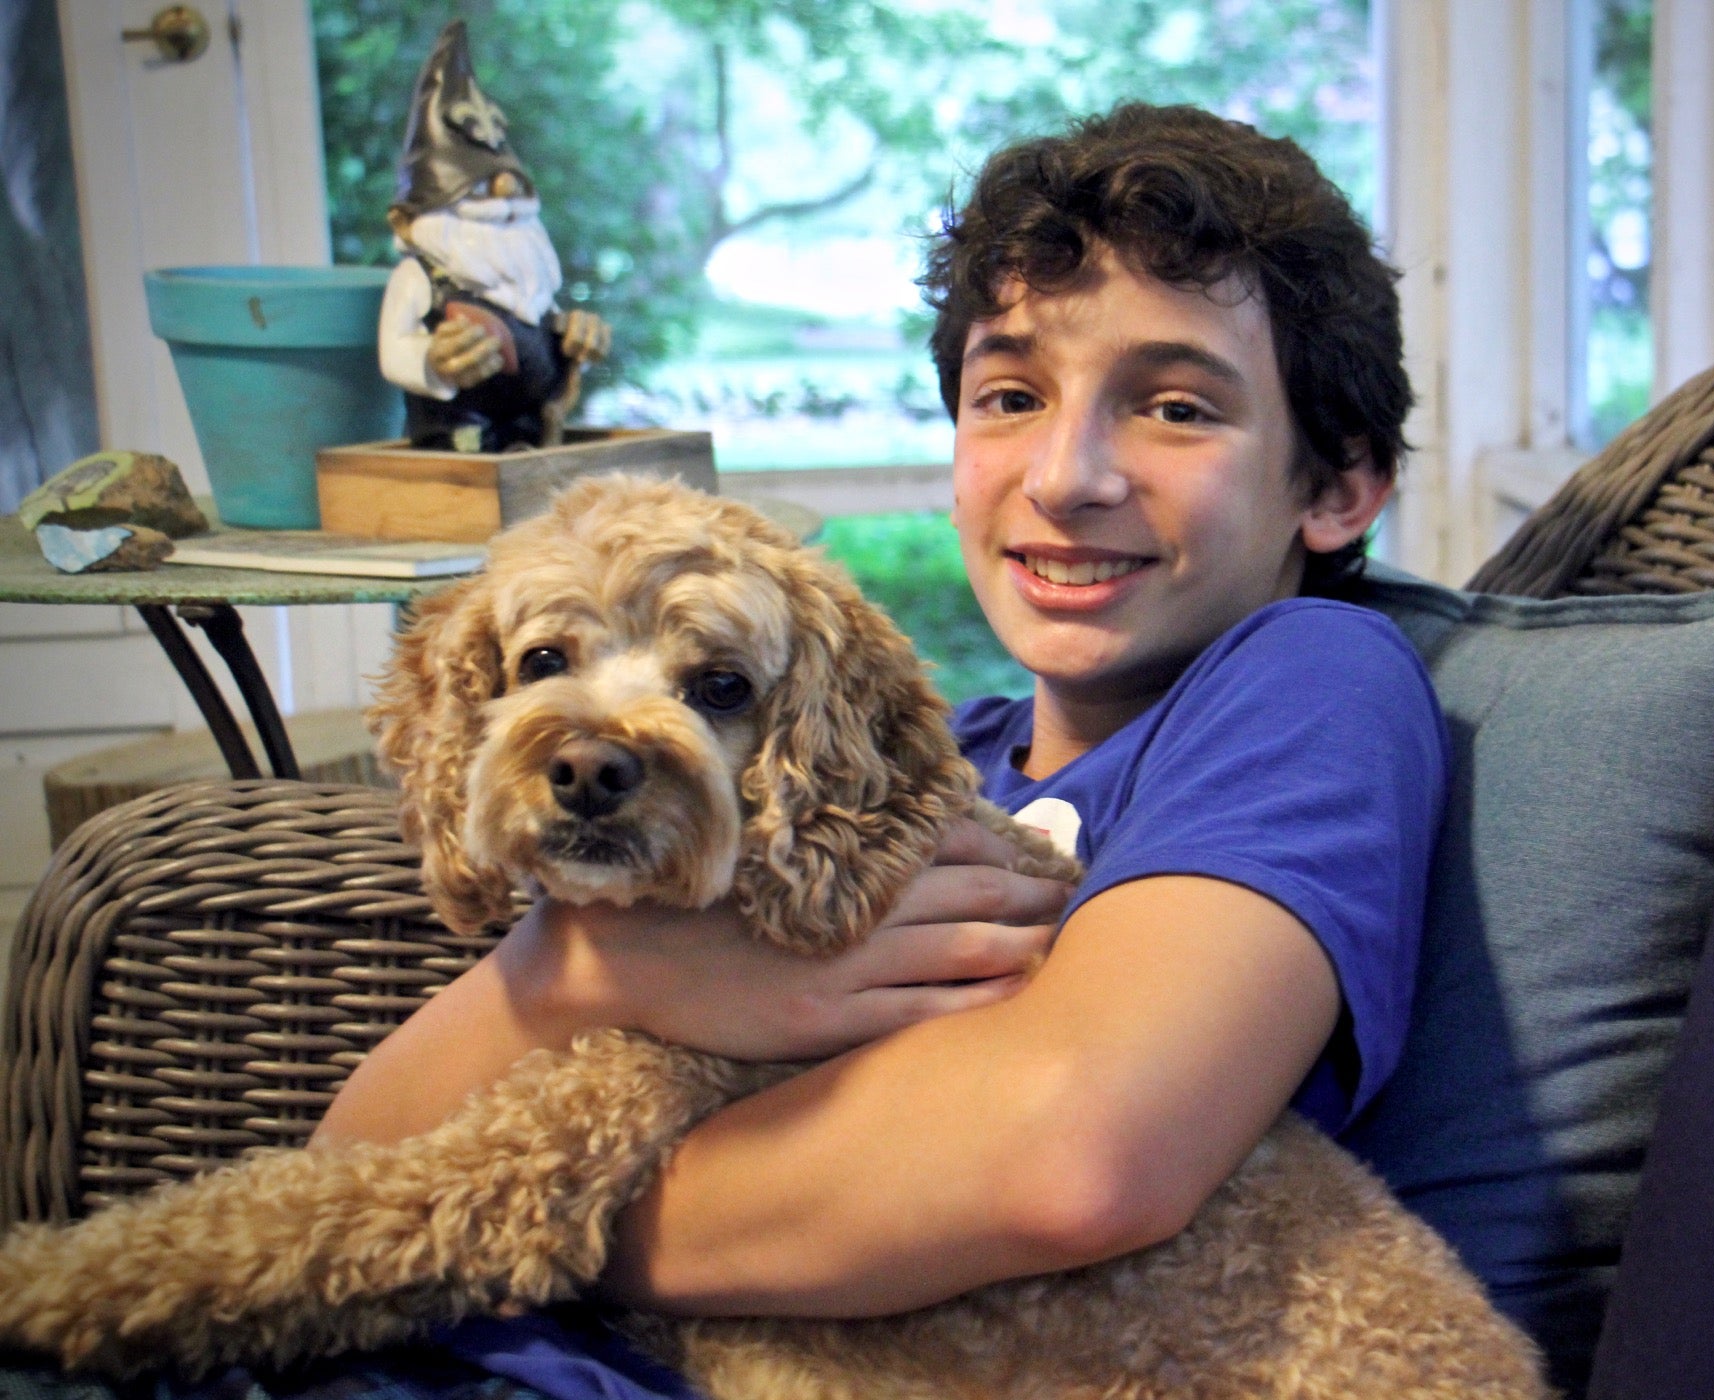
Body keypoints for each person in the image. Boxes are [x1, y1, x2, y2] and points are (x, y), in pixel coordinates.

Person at [315, 101, 1446, 1352]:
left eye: (1176, 408)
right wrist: (575, 971)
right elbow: (345, 1162)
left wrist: (509, 1231)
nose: (1066, 476)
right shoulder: (913, 765)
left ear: (1338, 485)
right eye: (1009, 394)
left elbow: (1080, 1153)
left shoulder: (1311, 675)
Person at [377, 21, 611, 454]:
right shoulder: (419, 278)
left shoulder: (528, 281)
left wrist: (573, 341)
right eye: (476, 190)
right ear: (406, 222)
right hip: (458, 448)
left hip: (537, 438)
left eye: (513, 186)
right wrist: (433, 360)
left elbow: (541, 341)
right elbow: (394, 352)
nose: (504, 196)